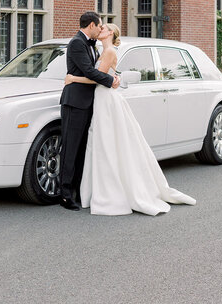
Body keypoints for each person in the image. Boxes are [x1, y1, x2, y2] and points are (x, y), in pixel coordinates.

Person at [64, 23, 196, 216]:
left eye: (104, 27)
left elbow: (96, 77)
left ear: (111, 33)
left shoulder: (108, 51)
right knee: (100, 144)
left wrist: (73, 79)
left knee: (110, 144)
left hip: (106, 99)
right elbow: (100, 73)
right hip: (97, 99)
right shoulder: (96, 49)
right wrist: (111, 77)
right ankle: (88, 189)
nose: (100, 28)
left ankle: (111, 190)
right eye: (99, 26)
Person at [59, 12, 120, 211]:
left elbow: (98, 71)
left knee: (82, 150)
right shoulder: (77, 43)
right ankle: (65, 195)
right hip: (75, 102)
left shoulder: (92, 45)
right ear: (92, 25)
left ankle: (77, 191)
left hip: (89, 102)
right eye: (99, 26)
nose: (101, 29)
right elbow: (88, 71)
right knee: (70, 148)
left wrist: (113, 77)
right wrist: (111, 81)